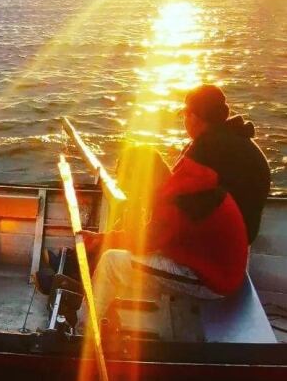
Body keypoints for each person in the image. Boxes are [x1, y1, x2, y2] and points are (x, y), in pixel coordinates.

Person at [78, 148, 249, 332]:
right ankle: (104, 313)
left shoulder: (173, 201)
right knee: (122, 257)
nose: (125, 190)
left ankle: (81, 332)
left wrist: (107, 238)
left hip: (212, 281)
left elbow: (144, 243)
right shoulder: (181, 185)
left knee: (111, 262)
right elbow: (155, 235)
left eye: (126, 183)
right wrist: (105, 238)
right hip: (216, 265)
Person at [179, 84, 271, 243]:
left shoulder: (205, 148)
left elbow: (173, 194)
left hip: (218, 242)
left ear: (193, 117)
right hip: (245, 237)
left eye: (184, 115)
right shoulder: (242, 141)